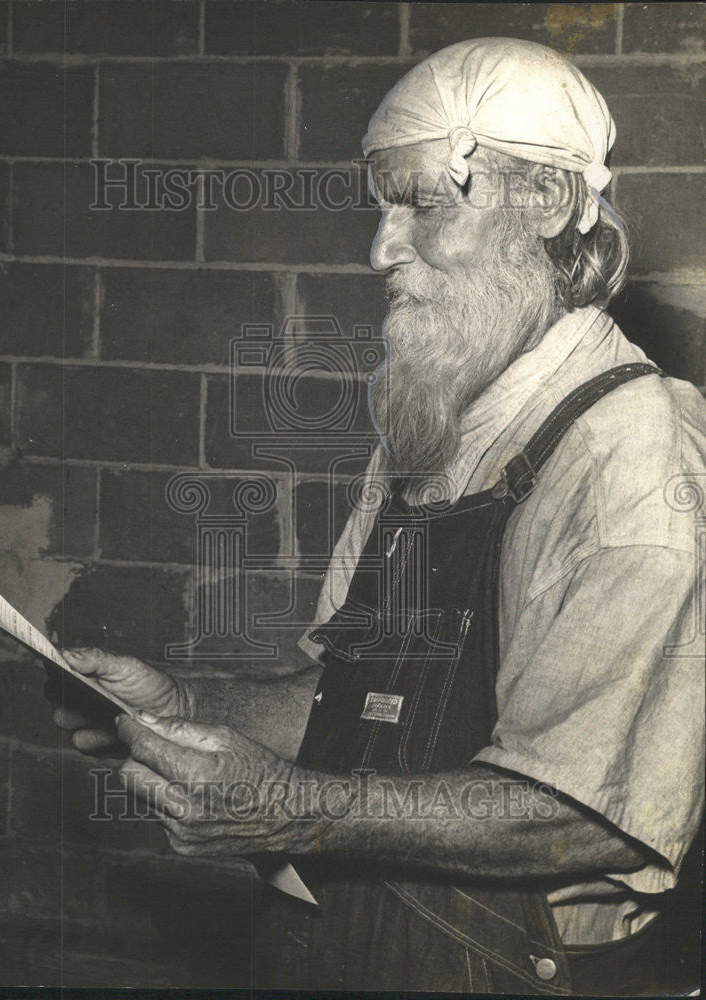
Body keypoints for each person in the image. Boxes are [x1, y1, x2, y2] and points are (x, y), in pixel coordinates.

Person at [52, 38, 705, 994]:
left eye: (425, 203)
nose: (379, 247)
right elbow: (355, 710)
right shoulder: (433, 417)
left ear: (551, 202)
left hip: (511, 968)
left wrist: (291, 809)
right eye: (382, 204)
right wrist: (190, 709)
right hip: (344, 939)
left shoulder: (637, 453)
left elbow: (589, 811)